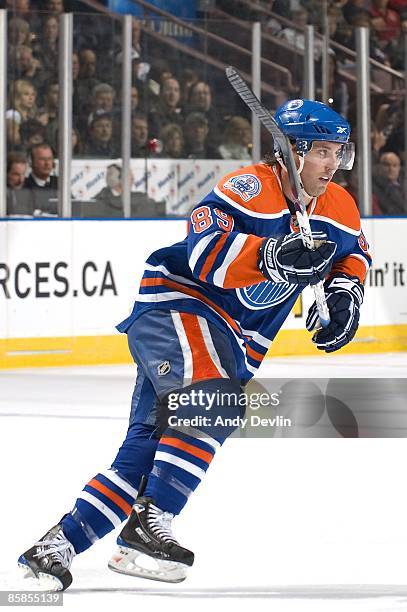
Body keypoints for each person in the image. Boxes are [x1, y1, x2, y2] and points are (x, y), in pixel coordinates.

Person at [18, 99, 371, 590]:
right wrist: (268, 254)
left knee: (146, 453)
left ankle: (54, 546)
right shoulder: (249, 187)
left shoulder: (338, 206)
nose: (333, 164)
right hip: (181, 308)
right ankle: (150, 521)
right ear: (292, 151)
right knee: (213, 403)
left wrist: (344, 297)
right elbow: (204, 253)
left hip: (231, 339)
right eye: (323, 153)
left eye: (340, 153)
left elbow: (351, 255)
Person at [23, 143, 58, 215]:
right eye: (42, 159)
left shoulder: (60, 183)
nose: (47, 163)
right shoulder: (23, 185)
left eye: (49, 159)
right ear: (31, 162)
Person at [6, 151, 33, 216]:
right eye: (16, 174)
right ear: (5, 173)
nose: (21, 180)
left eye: (23, 174)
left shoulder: (30, 190)